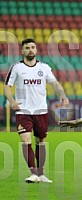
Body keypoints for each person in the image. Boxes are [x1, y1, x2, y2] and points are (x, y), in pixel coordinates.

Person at [4, 38, 69, 183]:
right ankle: (33, 172)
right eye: (27, 48)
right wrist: (12, 101)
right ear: (22, 51)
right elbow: (7, 86)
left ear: (36, 50)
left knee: (41, 141)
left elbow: (55, 83)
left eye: (33, 47)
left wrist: (63, 95)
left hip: (41, 110)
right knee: (26, 139)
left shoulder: (44, 68)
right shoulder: (17, 68)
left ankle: (41, 173)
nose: (30, 50)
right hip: (23, 110)